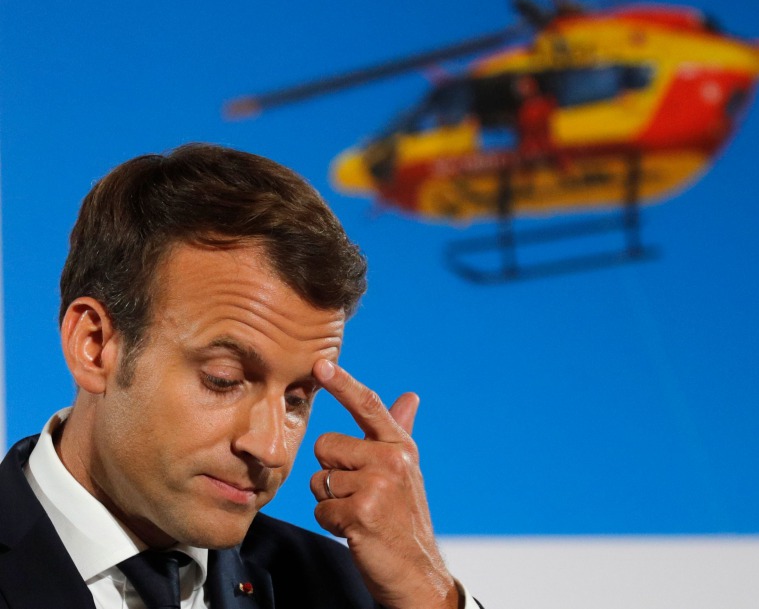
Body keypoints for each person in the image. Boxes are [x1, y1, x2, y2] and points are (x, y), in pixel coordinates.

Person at [0, 143, 479, 609]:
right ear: (95, 346)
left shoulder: (350, 590)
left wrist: (429, 594)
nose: (270, 449)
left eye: (297, 399)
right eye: (223, 380)